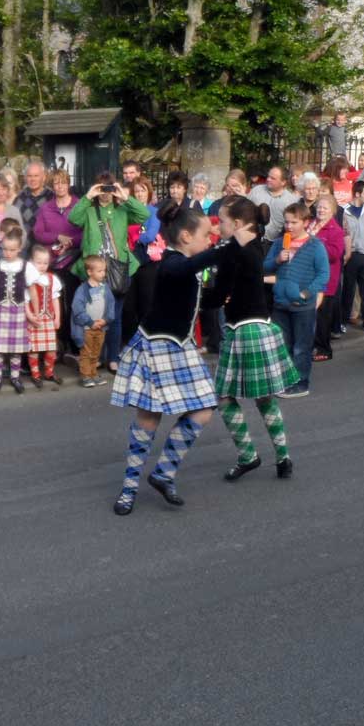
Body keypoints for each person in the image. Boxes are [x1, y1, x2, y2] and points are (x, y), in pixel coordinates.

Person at [108, 206, 242, 516]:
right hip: (155, 346)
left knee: (204, 409)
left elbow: (206, 300)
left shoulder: (188, 266)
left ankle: (163, 472)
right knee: (149, 417)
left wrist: (230, 273)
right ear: (184, 237)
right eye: (205, 236)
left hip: (180, 346)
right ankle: (129, 488)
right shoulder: (170, 264)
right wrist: (230, 245)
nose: (210, 240)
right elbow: (187, 268)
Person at [207, 197, 299, 481]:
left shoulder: (235, 253)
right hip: (261, 326)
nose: (218, 226)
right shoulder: (256, 246)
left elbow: (217, 295)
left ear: (236, 223)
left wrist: (189, 296)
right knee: (263, 397)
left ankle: (248, 455)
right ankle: (283, 457)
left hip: (242, 329)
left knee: (224, 397)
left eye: (221, 221)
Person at [69, 173, 150, 373]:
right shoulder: (88, 210)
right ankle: (95, 357)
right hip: (94, 271)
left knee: (113, 316)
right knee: (92, 317)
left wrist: (124, 195)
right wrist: (88, 195)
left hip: (117, 270)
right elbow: (72, 219)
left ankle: (112, 358)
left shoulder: (122, 209)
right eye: (102, 187)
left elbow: (144, 215)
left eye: (108, 188)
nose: (105, 192)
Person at [264, 203, 329, 398]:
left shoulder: (315, 245)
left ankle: (301, 382)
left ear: (306, 222)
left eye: (294, 222)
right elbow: (265, 267)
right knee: (282, 345)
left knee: (302, 345)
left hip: (302, 305)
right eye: (286, 222)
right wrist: (277, 261)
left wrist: (306, 294)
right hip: (280, 303)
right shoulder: (278, 244)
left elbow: (323, 274)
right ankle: (286, 379)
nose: (289, 226)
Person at [0, 231, 40, 393]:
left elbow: (33, 291)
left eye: (11, 250)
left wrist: (35, 312)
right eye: (4, 249)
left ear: (19, 249)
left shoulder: (26, 267)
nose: (7, 253)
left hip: (18, 310)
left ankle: (15, 377)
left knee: (16, 348)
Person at [33, 169, 82, 355]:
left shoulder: (78, 205)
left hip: (74, 260)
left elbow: (85, 231)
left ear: (68, 184)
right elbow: (38, 233)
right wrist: (57, 237)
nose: (59, 187)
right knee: (56, 303)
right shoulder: (46, 208)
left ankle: (74, 342)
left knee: (73, 302)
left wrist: (70, 242)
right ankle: (57, 342)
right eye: (56, 183)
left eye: (63, 183)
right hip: (52, 263)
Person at [309, 195, 345, 363]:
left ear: (332, 211)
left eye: (325, 208)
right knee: (310, 315)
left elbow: (335, 254)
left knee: (323, 317)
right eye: (319, 207)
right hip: (309, 277)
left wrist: (315, 242)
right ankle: (311, 346)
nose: (321, 210)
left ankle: (324, 349)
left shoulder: (336, 230)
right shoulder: (311, 224)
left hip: (326, 281)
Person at [342, 180, 364, 332]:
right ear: (357, 194)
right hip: (350, 256)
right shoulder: (344, 211)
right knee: (347, 289)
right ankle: (341, 321)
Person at [71, 256, 113, 388]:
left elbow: (111, 305)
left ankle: (93, 373)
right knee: (86, 352)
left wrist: (106, 320)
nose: (103, 274)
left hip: (101, 327)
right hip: (87, 329)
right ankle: (86, 376)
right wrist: (90, 322)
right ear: (90, 272)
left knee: (96, 352)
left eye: (104, 271)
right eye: (100, 271)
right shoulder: (82, 290)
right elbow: (77, 308)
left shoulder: (105, 288)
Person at [26, 244, 62, 386]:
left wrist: (57, 317)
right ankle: (35, 374)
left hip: (48, 317)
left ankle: (49, 373)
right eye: (38, 262)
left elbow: (55, 299)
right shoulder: (30, 281)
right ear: (31, 262)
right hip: (35, 318)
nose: (42, 266)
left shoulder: (52, 279)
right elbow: (25, 301)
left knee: (51, 348)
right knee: (34, 348)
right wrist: (30, 317)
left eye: (45, 263)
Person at [247, 166, 294, 245]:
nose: (268, 179)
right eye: (268, 176)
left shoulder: (290, 200)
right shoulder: (256, 191)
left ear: (283, 182)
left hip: (275, 244)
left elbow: (290, 226)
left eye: (273, 178)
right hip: (253, 241)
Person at [15, 160, 53, 246]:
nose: (32, 179)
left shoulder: (51, 197)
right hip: (22, 245)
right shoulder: (20, 197)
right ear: (25, 178)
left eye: (36, 176)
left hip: (44, 246)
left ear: (44, 177)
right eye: (29, 176)